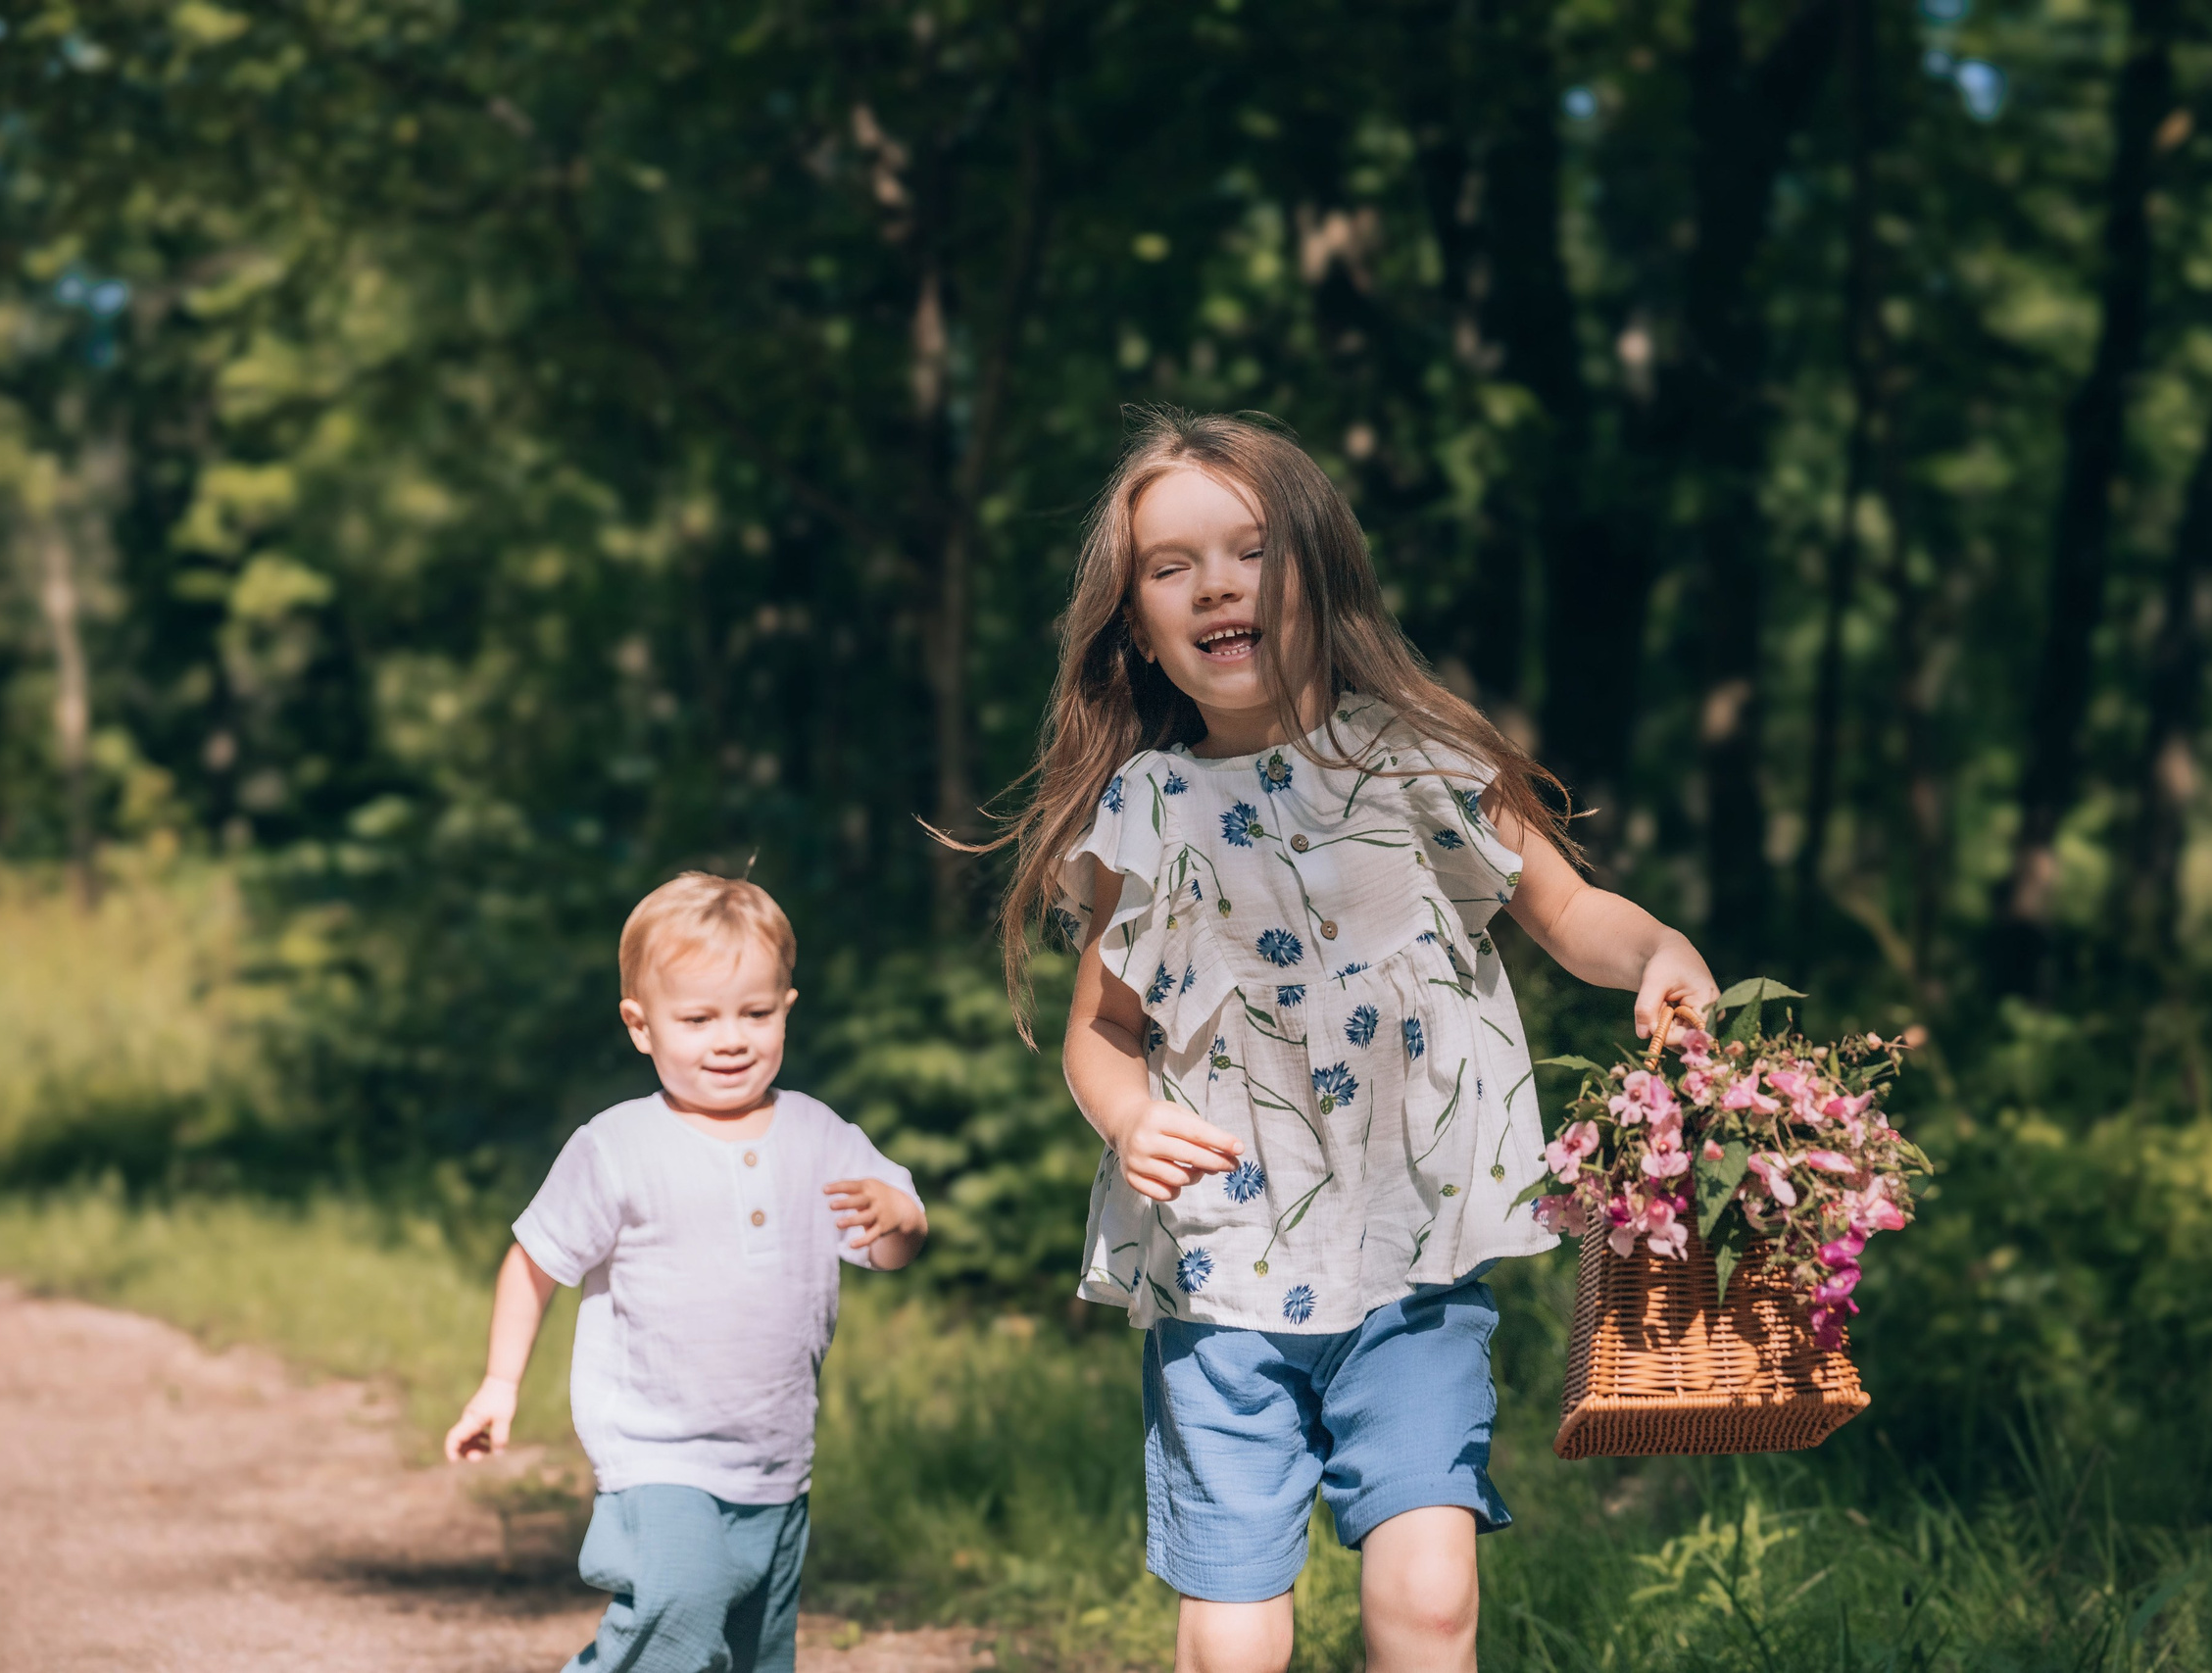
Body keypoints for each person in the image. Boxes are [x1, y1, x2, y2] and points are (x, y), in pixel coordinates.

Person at [984, 410, 1721, 1673]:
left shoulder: (1419, 765)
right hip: (1219, 1273)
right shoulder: (1148, 811)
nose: (1215, 583)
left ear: (1320, 572)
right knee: (1233, 1630)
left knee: (1430, 1600)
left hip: (1414, 1257)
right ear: (1139, 631)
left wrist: (1657, 953)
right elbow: (1099, 1034)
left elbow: (1572, 914)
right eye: (1172, 567)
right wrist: (1126, 1114)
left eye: (1250, 550)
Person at [443, 872, 927, 1673]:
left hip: (776, 1456)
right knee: (676, 1614)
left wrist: (900, 1218)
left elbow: (888, 1245)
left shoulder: (819, 1133)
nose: (730, 1038)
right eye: (698, 1018)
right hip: (655, 1452)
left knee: (752, 1656)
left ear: (787, 1008)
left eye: (755, 1013)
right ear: (642, 1025)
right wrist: (499, 1384)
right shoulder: (617, 1145)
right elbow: (534, 1258)